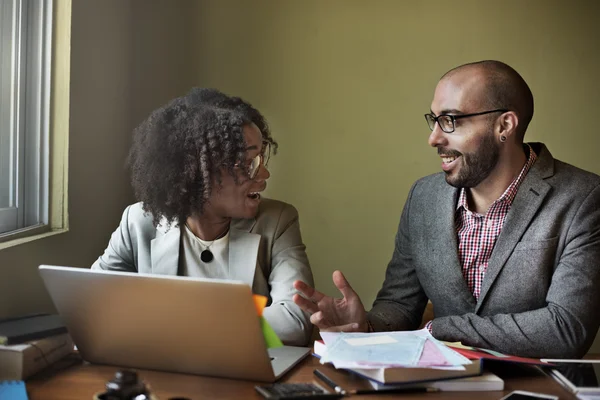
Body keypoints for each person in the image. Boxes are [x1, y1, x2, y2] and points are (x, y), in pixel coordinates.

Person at [293, 60, 600, 358]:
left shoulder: (583, 198)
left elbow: (566, 329)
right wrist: (366, 325)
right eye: (434, 120)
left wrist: (442, 329)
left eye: (451, 120)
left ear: (504, 125)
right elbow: (399, 306)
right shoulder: (423, 197)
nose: (434, 138)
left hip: (538, 389)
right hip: (440, 388)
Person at [92, 88, 314, 346]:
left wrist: (176, 324)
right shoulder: (138, 222)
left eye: (261, 158)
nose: (263, 174)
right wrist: (234, 323)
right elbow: (94, 303)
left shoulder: (277, 221)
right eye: (246, 163)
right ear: (197, 172)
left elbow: (295, 323)